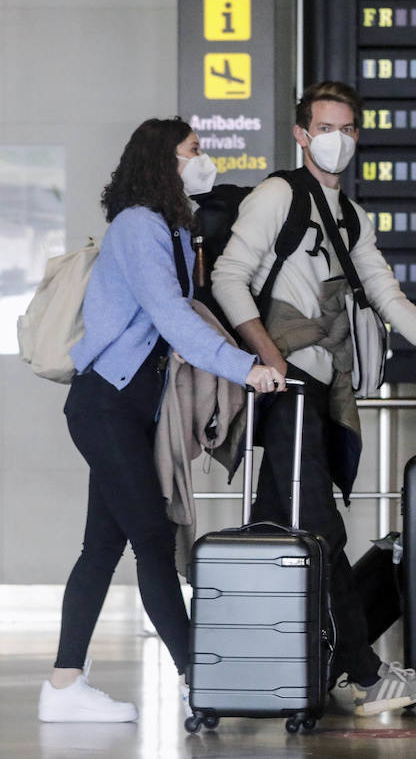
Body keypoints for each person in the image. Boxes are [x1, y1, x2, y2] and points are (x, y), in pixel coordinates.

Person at [211, 81, 416, 716]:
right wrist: (267, 355)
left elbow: (386, 295)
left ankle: (250, 671)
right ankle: (363, 676)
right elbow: (228, 276)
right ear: (301, 132)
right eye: (324, 126)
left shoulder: (350, 215)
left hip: (317, 389)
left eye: (346, 127)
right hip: (285, 387)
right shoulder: (278, 195)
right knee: (320, 528)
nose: (335, 139)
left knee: (276, 533)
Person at [38, 119, 284, 723]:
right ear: (163, 161)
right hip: (105, 405)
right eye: (194, 152)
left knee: (102, 546)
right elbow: (173, 316)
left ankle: (64, 686)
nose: (203, 161)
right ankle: (197, 677)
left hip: (129, 410)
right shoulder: (138, 226)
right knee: (151, 538)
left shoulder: (175, 229)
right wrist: (244, 367)